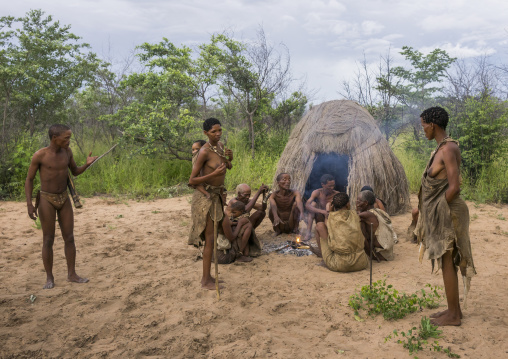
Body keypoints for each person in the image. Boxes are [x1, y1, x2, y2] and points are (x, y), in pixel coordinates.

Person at [416, 106, 476, 326]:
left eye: (423, 125)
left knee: (447, 259)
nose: (422, 129)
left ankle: (453, 315)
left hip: (449, 211)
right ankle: (454, 311)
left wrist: (438, 209)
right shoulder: (441, 149)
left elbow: (454, 187)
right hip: (445, 210)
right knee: (446, 259)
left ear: (432, 124)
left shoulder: (448, 149)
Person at [24, 124, 97, 289]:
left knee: (69, 237)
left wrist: (87, 164)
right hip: (46, 200)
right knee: (48, 239)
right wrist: (29, 204)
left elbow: (75, 171)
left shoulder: (67, 153)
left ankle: (72, 274)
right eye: (66, 138)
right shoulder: (40, 156)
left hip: (64, 198)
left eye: (69, 137)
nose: (69, 141)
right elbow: (29, 180)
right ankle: (49, 278)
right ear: (54, 138)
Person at [188, 117, 233, 290]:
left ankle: (209, 277)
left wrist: (230, 158)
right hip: (206, 199)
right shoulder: (204, 152)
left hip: (218, 197)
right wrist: (212, 177)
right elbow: (192, 180)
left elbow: (227, 167)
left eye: (220, 130)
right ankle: (205, 280)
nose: (218, 134)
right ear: (206, 133)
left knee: (213, 238)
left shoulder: (220, 147)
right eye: (214, 131)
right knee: (209, 239)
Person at [314, 192, 368, 272]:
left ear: (334, 206)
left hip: (341, 264)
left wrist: (328, 211)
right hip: (361, 262)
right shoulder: (355, 214)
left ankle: (323, 258)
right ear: (348, 204)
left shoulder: (331, 217)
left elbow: (326, 231)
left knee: (319, 226)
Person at [356, 190, 397, 261]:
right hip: (387, 250)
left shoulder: (367, 215)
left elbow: (351, 218)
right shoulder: (377, 211)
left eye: (358, 201)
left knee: (359, 226)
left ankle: (373, 256)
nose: (357, 202)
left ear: (365, 203)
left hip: (381, 253)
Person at [305, 174, 339, 250]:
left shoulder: (336, 194)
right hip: (320, 217)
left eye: (333, 185)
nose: (332, 188)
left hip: (331, 219)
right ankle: (308, 233)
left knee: (328, 205)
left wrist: (329, 211)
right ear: (323, 185)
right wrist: (321, 211)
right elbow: (307, 205)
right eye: (329, 186)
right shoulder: (317, 192)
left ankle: (330, 233)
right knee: (313, 205)